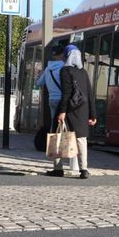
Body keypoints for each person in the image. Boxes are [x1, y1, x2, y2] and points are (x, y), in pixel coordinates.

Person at [46, 45, 97, 179]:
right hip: (82, 110)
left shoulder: (65, 70)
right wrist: (93, 114)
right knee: (81, 139)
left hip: (68, 109)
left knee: (58, 136)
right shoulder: (83, 72)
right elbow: (90, 94)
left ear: (67, 56)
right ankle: (84, 169)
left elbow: (66, 93)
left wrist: (62, 111)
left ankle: (58, 168)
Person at [36, 45, 65, 129]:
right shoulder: (64, 68)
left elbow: (39, 82)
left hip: (52, 99)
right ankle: (62, 141)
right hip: (62, 100)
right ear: (62, 54)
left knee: (54, 122)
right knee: (63, 122)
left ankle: (53, 140)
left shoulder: (48, 69)